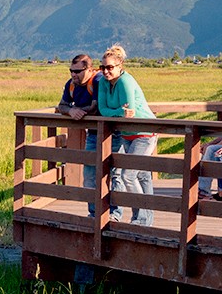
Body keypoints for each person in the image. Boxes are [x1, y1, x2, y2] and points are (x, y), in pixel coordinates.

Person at [95, 45, 158, 226]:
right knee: (140, 176)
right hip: (127, 133)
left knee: (128, 175)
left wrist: (116, 112)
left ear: (120, 66)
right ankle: (145, 219)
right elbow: (102, 109)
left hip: (143, 132)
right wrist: (118, 113)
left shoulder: (125, 81)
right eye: (103, 68)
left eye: (110, 67)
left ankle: (140, 218)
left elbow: (129, 110)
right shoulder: (104, 83)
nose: (106, 71)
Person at [58, 54, 116, 219]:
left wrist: (77, 109)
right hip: (93, 134)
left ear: (90, 70)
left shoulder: (98, 82)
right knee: (90, 174)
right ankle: (94, 213)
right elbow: (61, 105)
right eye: (71, 71)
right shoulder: (71, 85)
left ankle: (113, 213)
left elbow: (95, 108)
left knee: (113, 174)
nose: (73, 75)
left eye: (77, 71)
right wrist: (70, 110)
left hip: (112, 133)